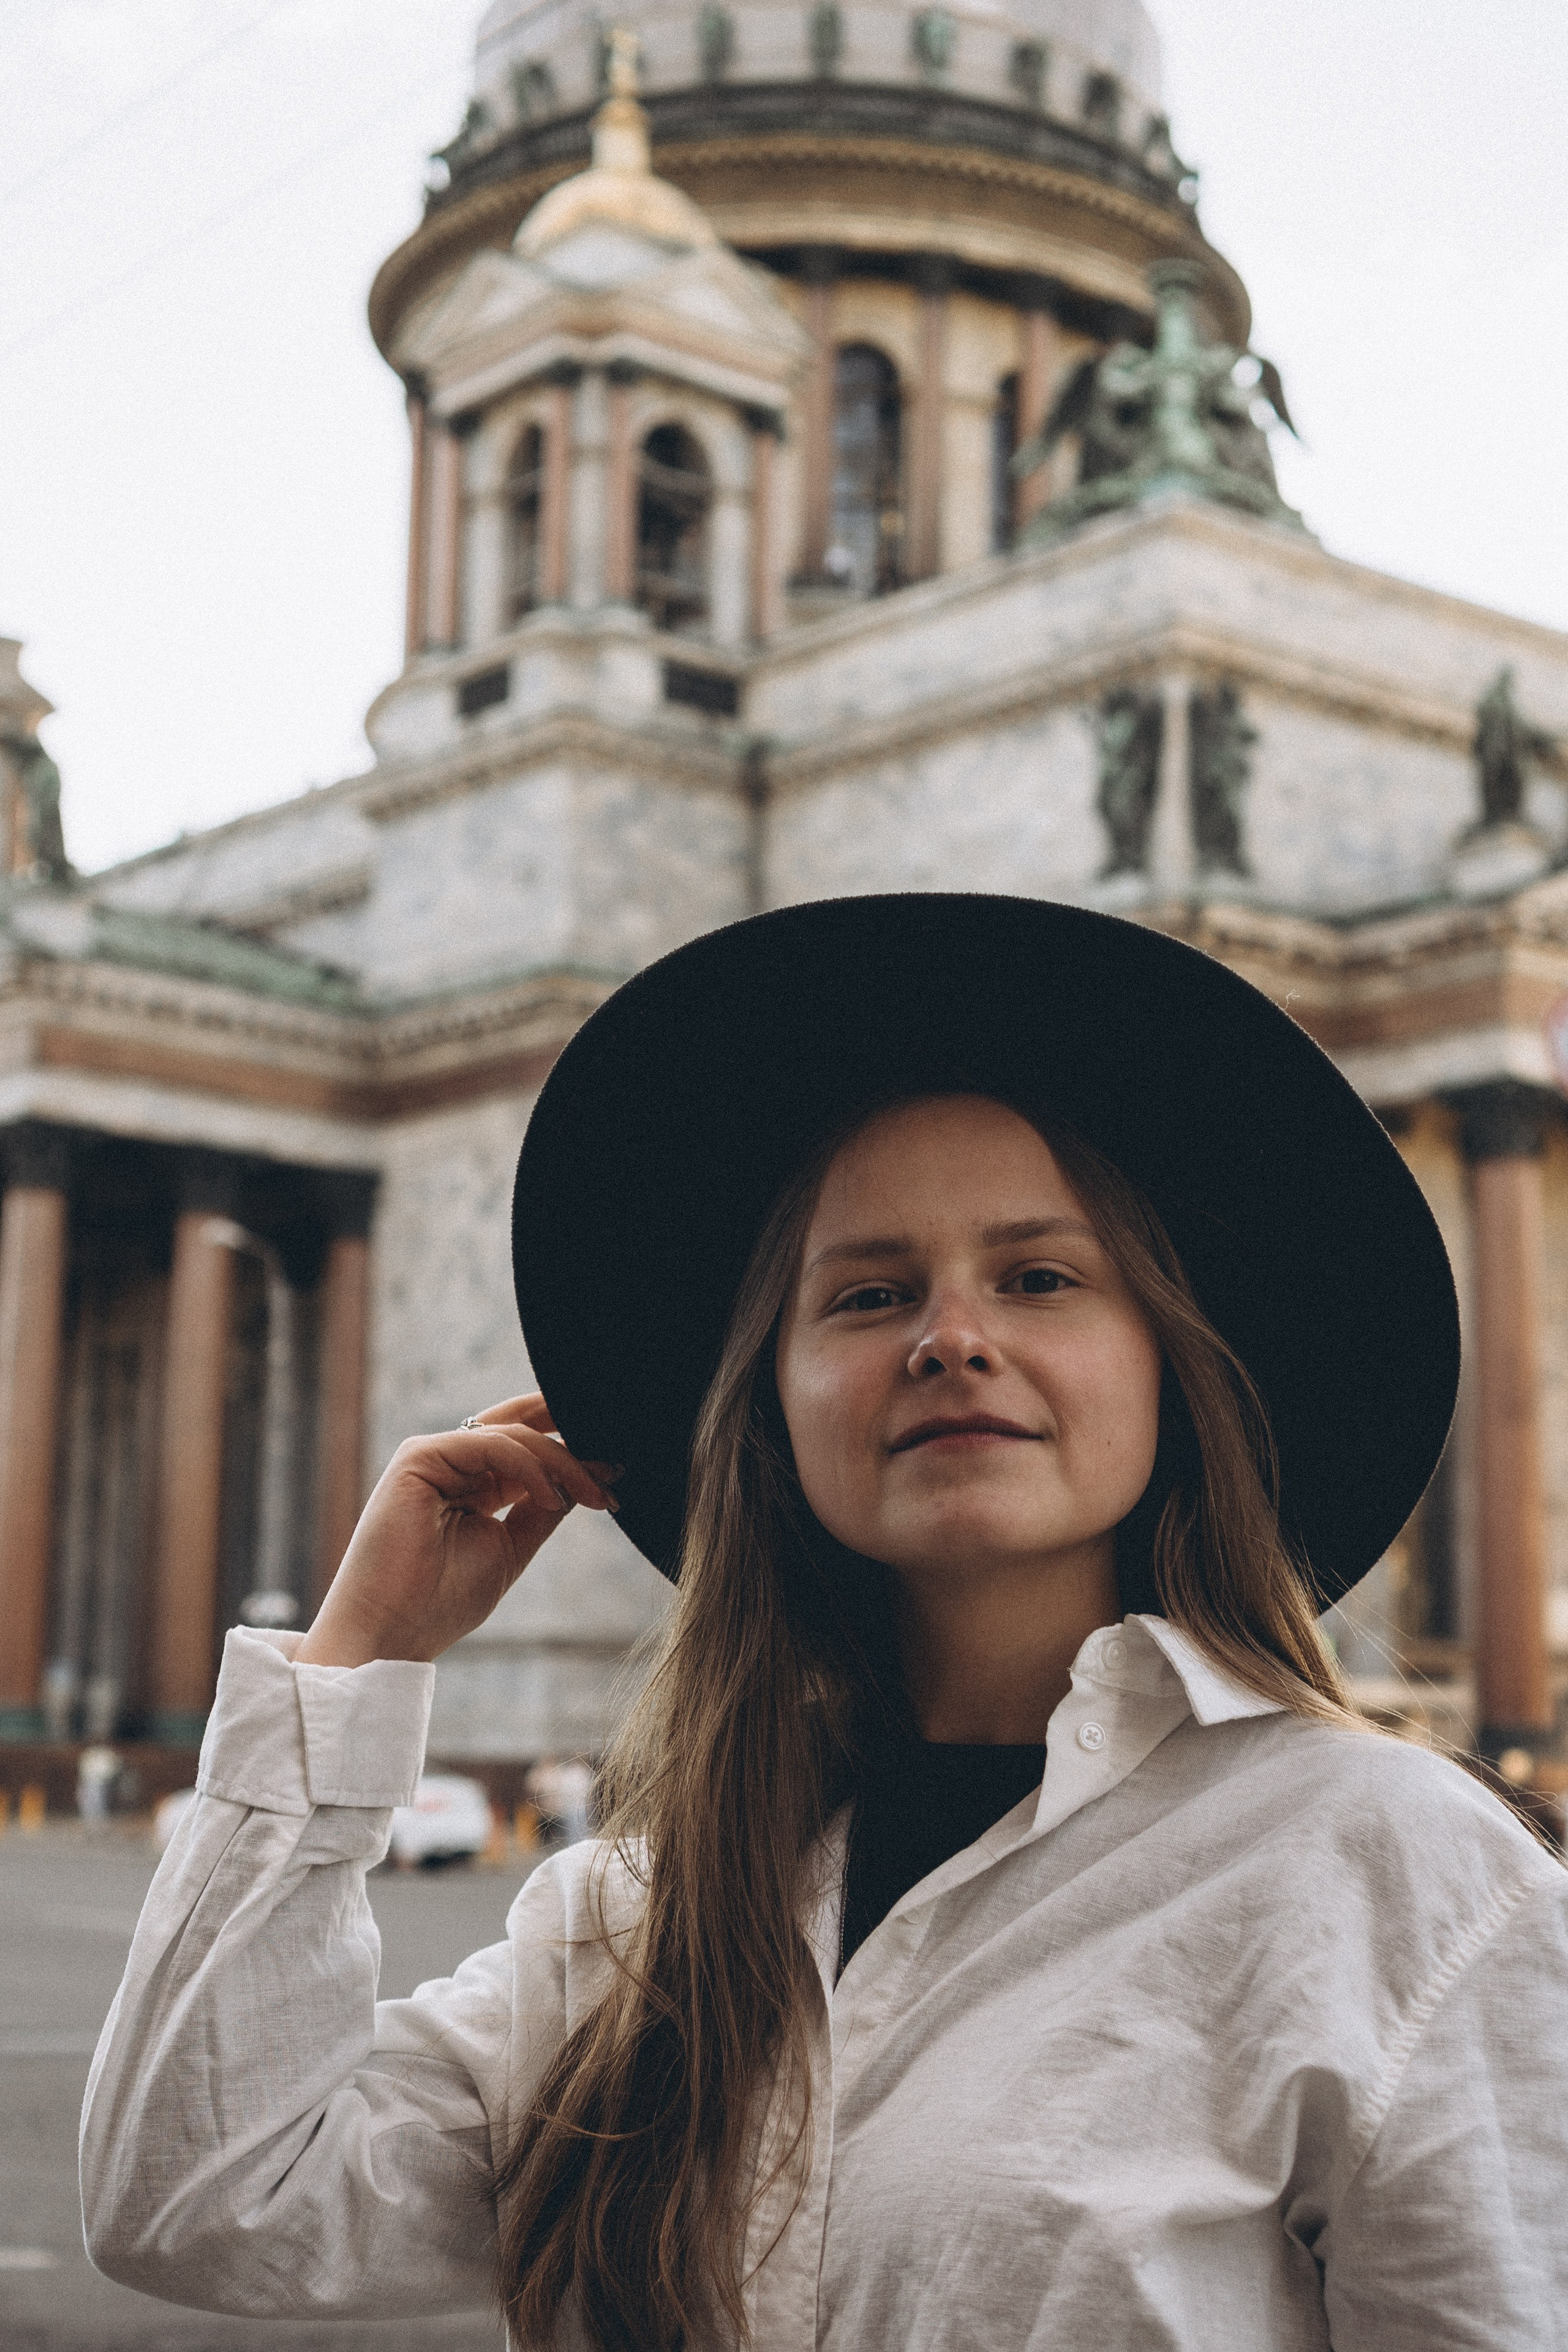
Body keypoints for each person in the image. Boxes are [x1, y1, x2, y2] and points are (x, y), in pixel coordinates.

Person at [81, 894, 1568, 2350]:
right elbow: (207, 2200)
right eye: (865, 1296)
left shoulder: (1397, 1876)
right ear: (770, 1411)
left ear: (1172, 1371)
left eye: (1038, 1277)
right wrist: (357, 1663)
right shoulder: (635, 1921)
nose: (950, 1337)